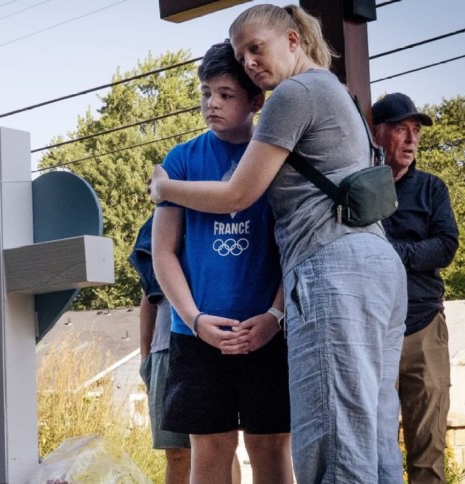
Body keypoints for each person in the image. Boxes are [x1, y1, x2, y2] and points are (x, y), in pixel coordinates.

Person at [149, 5, 408, 483]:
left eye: (256, 48)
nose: (249, 62)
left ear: (292, 40)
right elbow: (164, 250)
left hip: (332, 265)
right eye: (240, 55)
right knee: (371, 434)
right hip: (374, 261)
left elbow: (238, 194)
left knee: (335, 437)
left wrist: (163, 188)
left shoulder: (293, 93)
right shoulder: (339, 94)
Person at [151, 40, 292, 484]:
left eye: (226, 94)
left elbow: (296, 249)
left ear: (256, 101)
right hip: (197, 334)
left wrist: (275, 316)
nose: (212, 103)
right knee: (210, 450)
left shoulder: (278, 158)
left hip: (267, 331)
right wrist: (195, 320)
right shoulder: (181, 160)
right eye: (206, 92)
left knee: (271, 447)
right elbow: (163, 252)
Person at [373, 92, 459, 483]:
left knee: (428, 451)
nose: (411, 140)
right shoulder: (359, 188)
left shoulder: (431, 189)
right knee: (375, 449)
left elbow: (446, 245)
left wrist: (394, 254)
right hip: (372, 334)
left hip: (423, 328)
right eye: (401, 130)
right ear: (377, 133)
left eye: (416, 131)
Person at [130, 215, 192, 484]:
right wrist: (146, 356)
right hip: (165, 349)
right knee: (176, 453)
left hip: (212, 344)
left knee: (216, 445)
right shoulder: (158, 223)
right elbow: (149, 295)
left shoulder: (215, 213)